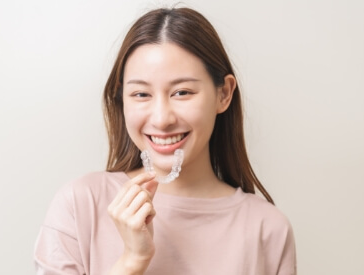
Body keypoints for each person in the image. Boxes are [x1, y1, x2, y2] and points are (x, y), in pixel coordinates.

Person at [34, 7, 296, 275]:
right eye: (141, 94)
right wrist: (132, 261)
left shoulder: (268, 229)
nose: (161, 119)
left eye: (182, 92)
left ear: (224, 94)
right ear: (121, 98)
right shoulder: (80, 204)